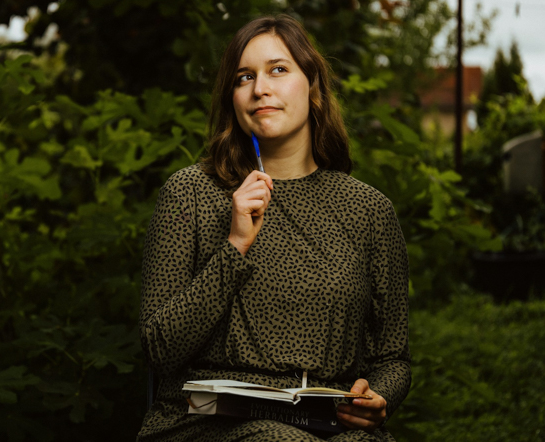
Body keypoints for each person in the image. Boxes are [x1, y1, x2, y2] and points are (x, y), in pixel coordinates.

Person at [137, 14, 410, 442]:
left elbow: (393, 357)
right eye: (244, 77)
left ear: (313, 87)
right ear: (232, 97)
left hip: (329, 425)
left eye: (278, 70)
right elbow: (159, 348)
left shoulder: (369, 210)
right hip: (208, 423)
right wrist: (235, 245)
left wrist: (380, 397)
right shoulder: (189, 193)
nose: (260, 88)